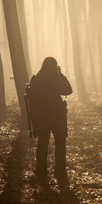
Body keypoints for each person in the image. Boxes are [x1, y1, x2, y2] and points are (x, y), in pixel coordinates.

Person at [30, 57, 72, 187]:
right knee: (60, 144)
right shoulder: (55, 79)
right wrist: (61, 75)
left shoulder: (36, 79)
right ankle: (60, 172)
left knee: (42, 144)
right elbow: (68, 90)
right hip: (56, 117)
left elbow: (32, 101)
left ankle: (41, 172)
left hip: (42, 118)